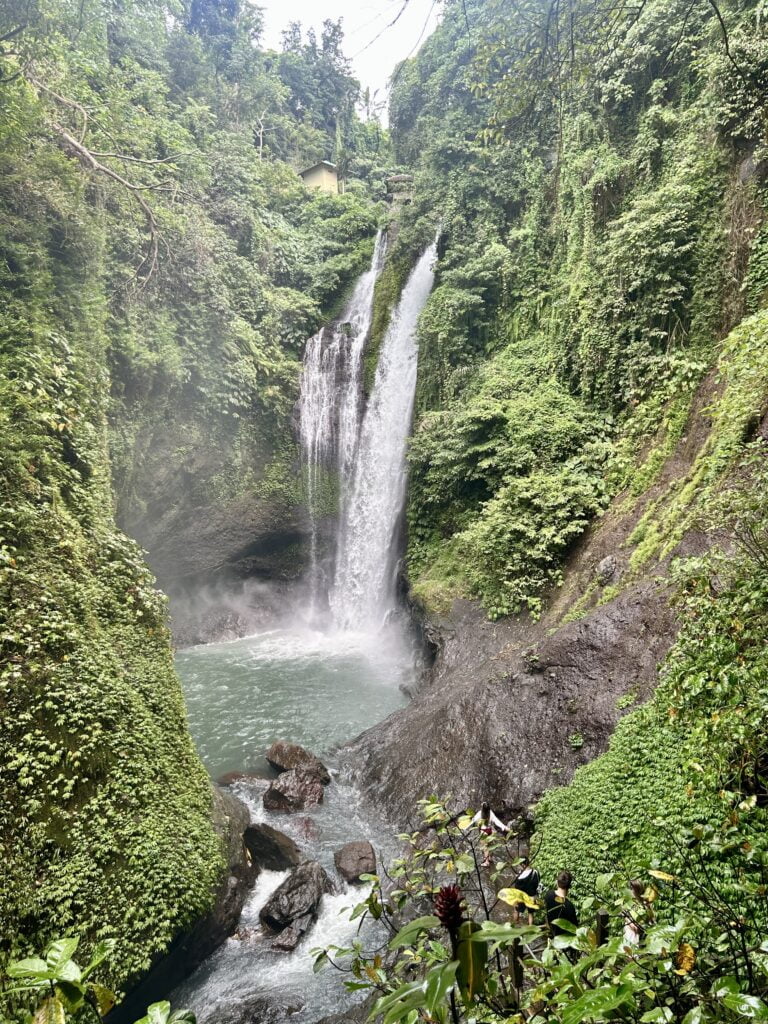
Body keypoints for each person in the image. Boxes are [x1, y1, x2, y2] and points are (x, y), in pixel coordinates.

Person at [470, 802, 509, 866]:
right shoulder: (490, 812)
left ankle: (486, 862)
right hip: (490, 831)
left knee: (485, 847)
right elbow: (496, 821)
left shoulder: (480, 813)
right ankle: (490, 858)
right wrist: (504, 827)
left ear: (482, 808)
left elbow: (473, 820)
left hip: (483, 832)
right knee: (490, 846)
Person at [544, 870, 579, 939]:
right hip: (563, 938)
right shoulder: (569, 906)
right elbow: (575, 927)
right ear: (569, 886)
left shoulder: (549, 894)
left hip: (551, 931)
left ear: (557, 882)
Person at [512, 857, 540, 926]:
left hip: (521, 897)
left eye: (519, 864)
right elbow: (538, 882)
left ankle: (516, 925)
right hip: (532, 897)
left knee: (516, 911)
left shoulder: (520, 875)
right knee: (530, 914)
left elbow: (517, 889)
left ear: (523, 865)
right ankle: (530, 928)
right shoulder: (535, 872)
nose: (519, 866)